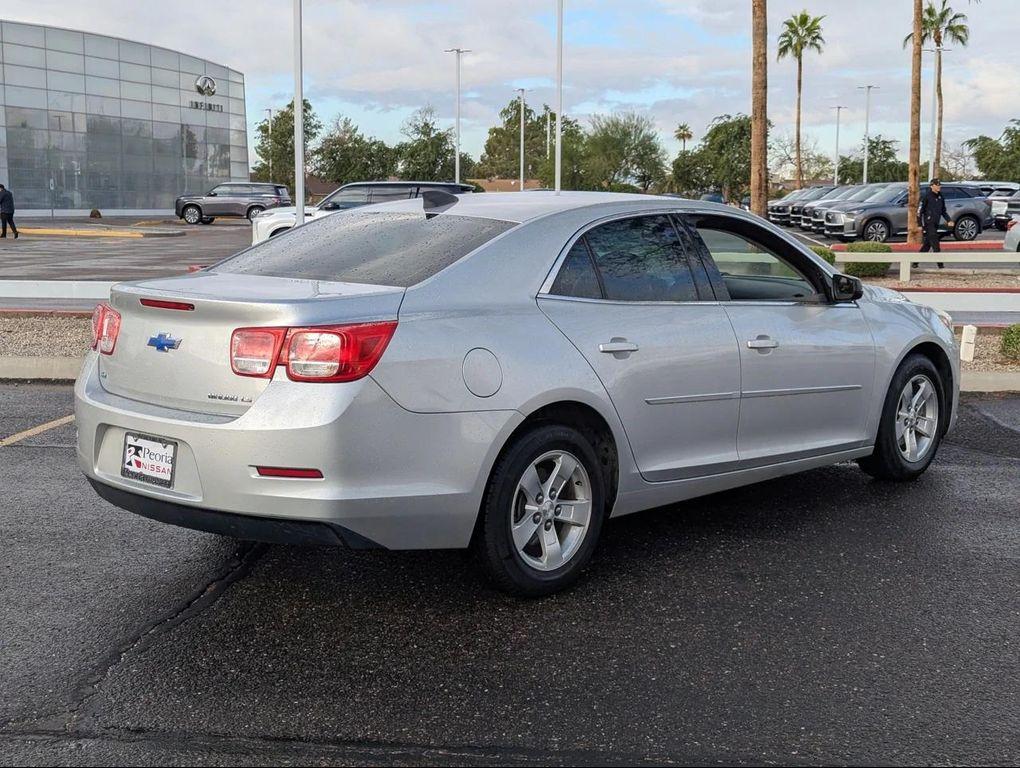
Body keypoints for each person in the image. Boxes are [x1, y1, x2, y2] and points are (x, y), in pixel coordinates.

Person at [917, 178, 951, 269]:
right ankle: (940, 265)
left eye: (940, 185)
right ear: (932, 186)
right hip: (928, 224)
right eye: (937, 185)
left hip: (936, 223)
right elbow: (919, 211)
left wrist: (949, 220)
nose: (939, 186)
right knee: (935, 243)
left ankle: (915, 262)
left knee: (927, 245)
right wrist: (919, 224)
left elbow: (943, 211)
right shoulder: (927, 197)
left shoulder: (941, 196)